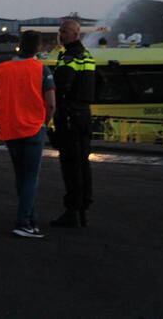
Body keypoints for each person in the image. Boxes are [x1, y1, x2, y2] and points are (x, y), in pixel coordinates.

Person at [0, 30, 56, 239]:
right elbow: (51, 103)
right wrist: (44, 122)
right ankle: (24, 222)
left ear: (20, 45)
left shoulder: (1, 69)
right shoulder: (41, 69)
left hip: (11, 129)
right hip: (33, 128)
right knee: (30, 177)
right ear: (38, 47)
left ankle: (30, 219)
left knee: (21, 177)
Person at [50, 19, 95, 227]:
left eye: (65, 31)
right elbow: (99, 82)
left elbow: (60, 85)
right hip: (84, 114)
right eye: (60, 31)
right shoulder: (87, 55)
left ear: (76, 34)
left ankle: (72, 211)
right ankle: (84, 205)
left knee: (70, 164)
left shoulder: (69, 57)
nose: (61, 35)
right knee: (83, 162)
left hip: (69, 117)